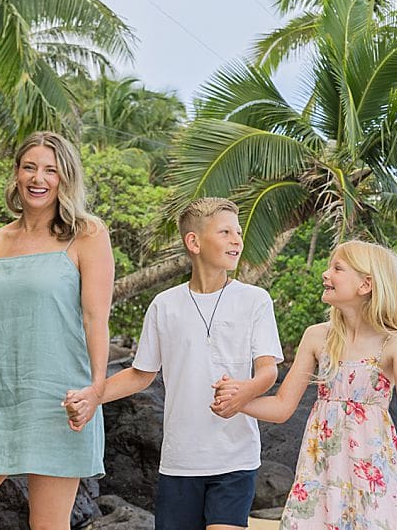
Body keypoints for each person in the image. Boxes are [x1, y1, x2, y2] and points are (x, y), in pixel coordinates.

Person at [0, 131, 114, 530]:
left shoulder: (87, 236)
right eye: (29, 167)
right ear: (16, 175)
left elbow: (95, 319)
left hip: (57, 402)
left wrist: (96, 390)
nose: (39, 178)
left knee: (47, 526)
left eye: (51, 170)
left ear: (65, 179)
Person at [68, 197, 282, 530]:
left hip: (236, 458)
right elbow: (141, 375)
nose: (237, 239)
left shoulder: (255, 300)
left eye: (238, 232)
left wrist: (244, 393)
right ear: (193, 242)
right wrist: (94, 396)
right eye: (225, 232)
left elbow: (268, 370)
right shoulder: (164, 305)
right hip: (180, 463)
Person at [228, 240, 397, 530]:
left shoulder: (396, 342)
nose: (325, 274)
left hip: (371, 470)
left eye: (337, 268)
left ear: (366, 284)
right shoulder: (317, 337)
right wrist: (237, 401)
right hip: (320, 470)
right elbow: (282, 407)